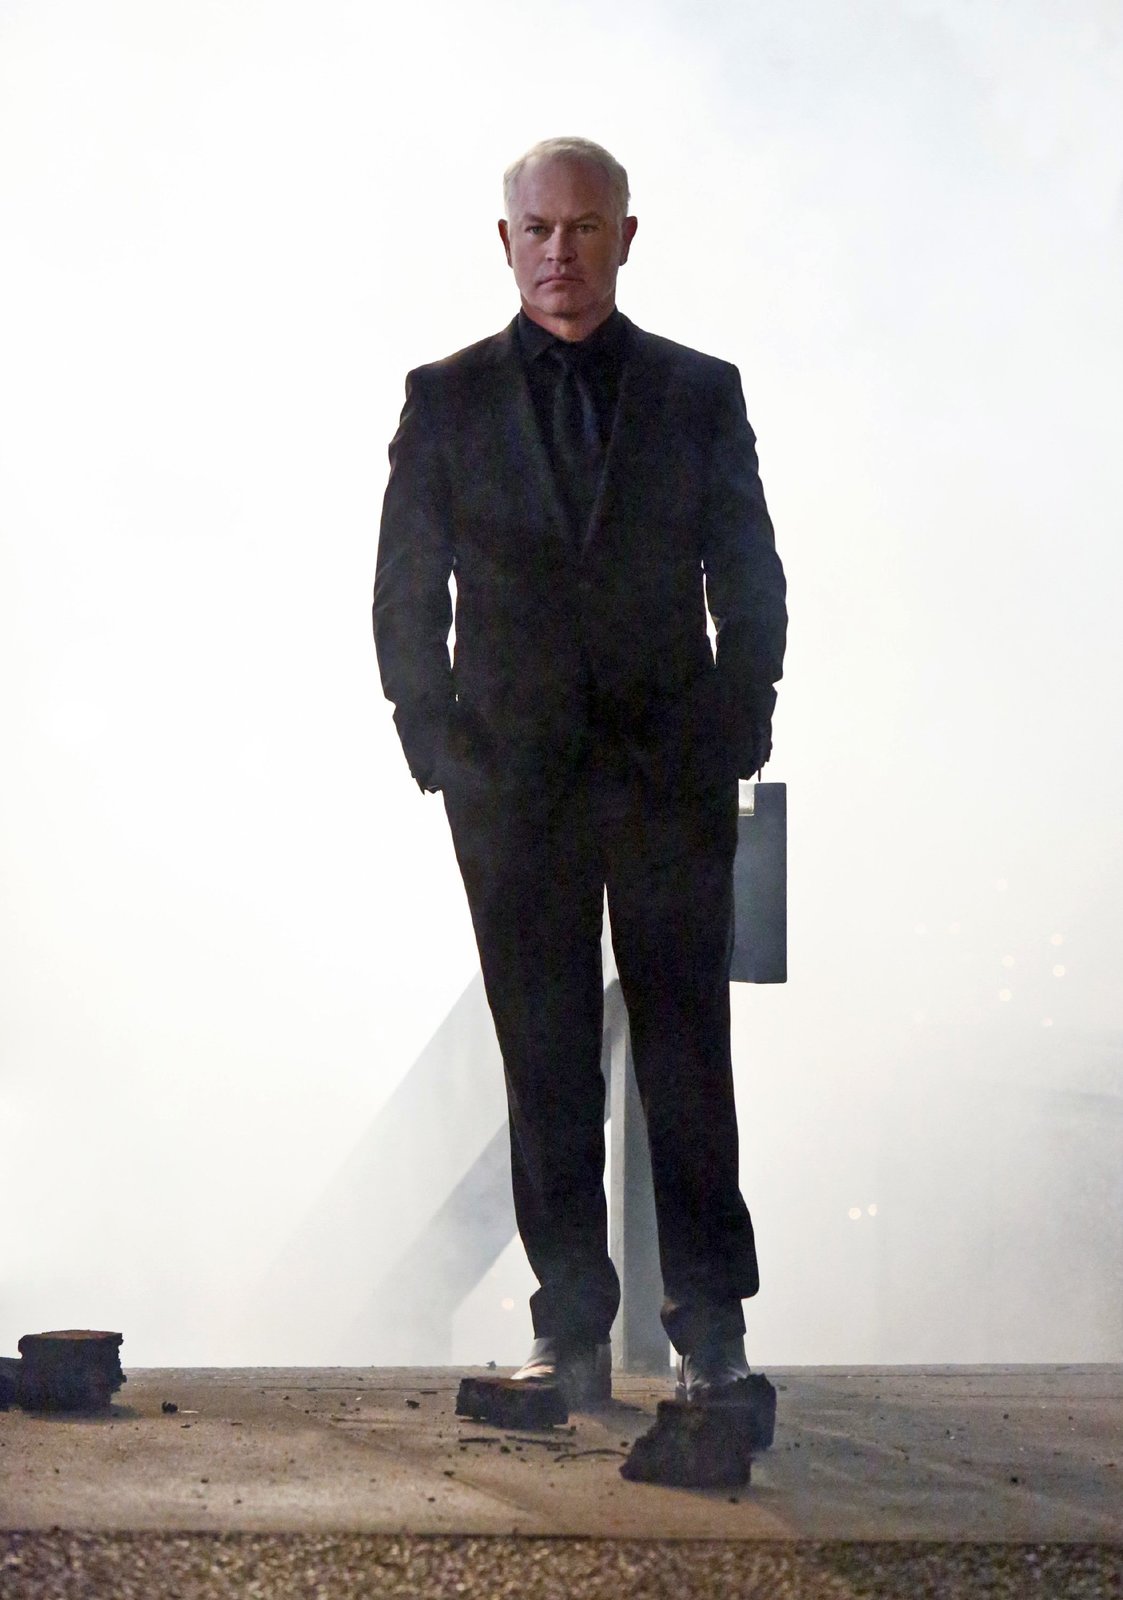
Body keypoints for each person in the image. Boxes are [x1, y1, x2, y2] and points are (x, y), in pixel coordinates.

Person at [373, 136, 787, 1406]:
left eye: (585, 227)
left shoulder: (698, 392)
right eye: (540, 230)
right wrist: (438, 742)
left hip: (670, 778)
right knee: (542, 1058)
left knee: (687, 1052)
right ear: (506, 243)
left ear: (626, 236)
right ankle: (569, 1330)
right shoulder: (444, 398)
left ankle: (710, 1328)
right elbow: (405, 591)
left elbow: (749, 573)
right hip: (512, 786)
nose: (561, 251)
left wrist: (740, 718)